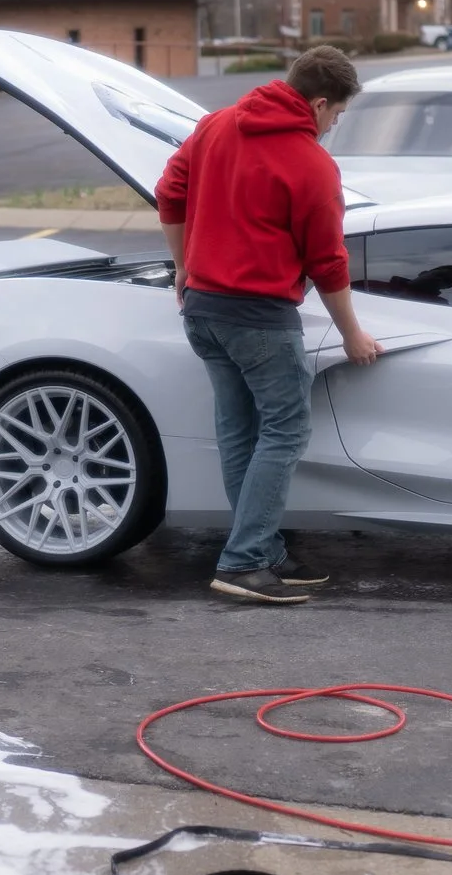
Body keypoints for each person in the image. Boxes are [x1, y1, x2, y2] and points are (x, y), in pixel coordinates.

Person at [156, 46, 382, 606]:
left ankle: (261, 548)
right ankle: (245, 559)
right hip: (258, 318)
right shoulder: (310, 164)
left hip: (203, 311)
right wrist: (352, 331)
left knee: (240, 433)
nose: (333, 127)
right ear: (320, 103)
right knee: (285, 431)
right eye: (336, 116)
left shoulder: (215, 126)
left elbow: (169, 192)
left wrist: (185, 266)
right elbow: (326, 260)